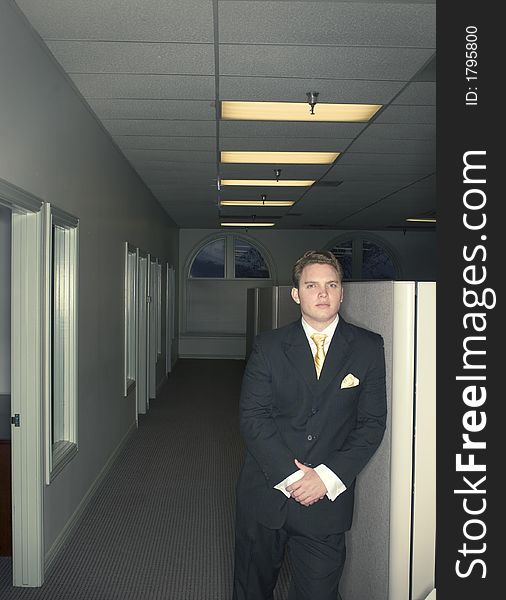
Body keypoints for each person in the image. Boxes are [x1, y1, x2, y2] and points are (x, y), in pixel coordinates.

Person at [232, 250, 387, 600]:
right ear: (296, 293)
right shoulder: (268, 347)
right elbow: (253, 417)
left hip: (326, 502)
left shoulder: (367, 347)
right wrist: (294, 478)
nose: (322, 294)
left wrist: (325, 479)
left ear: (342, 292)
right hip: (266, 495)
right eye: (312, 285)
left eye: (331, 285)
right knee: (251, 591)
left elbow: (372, 424)